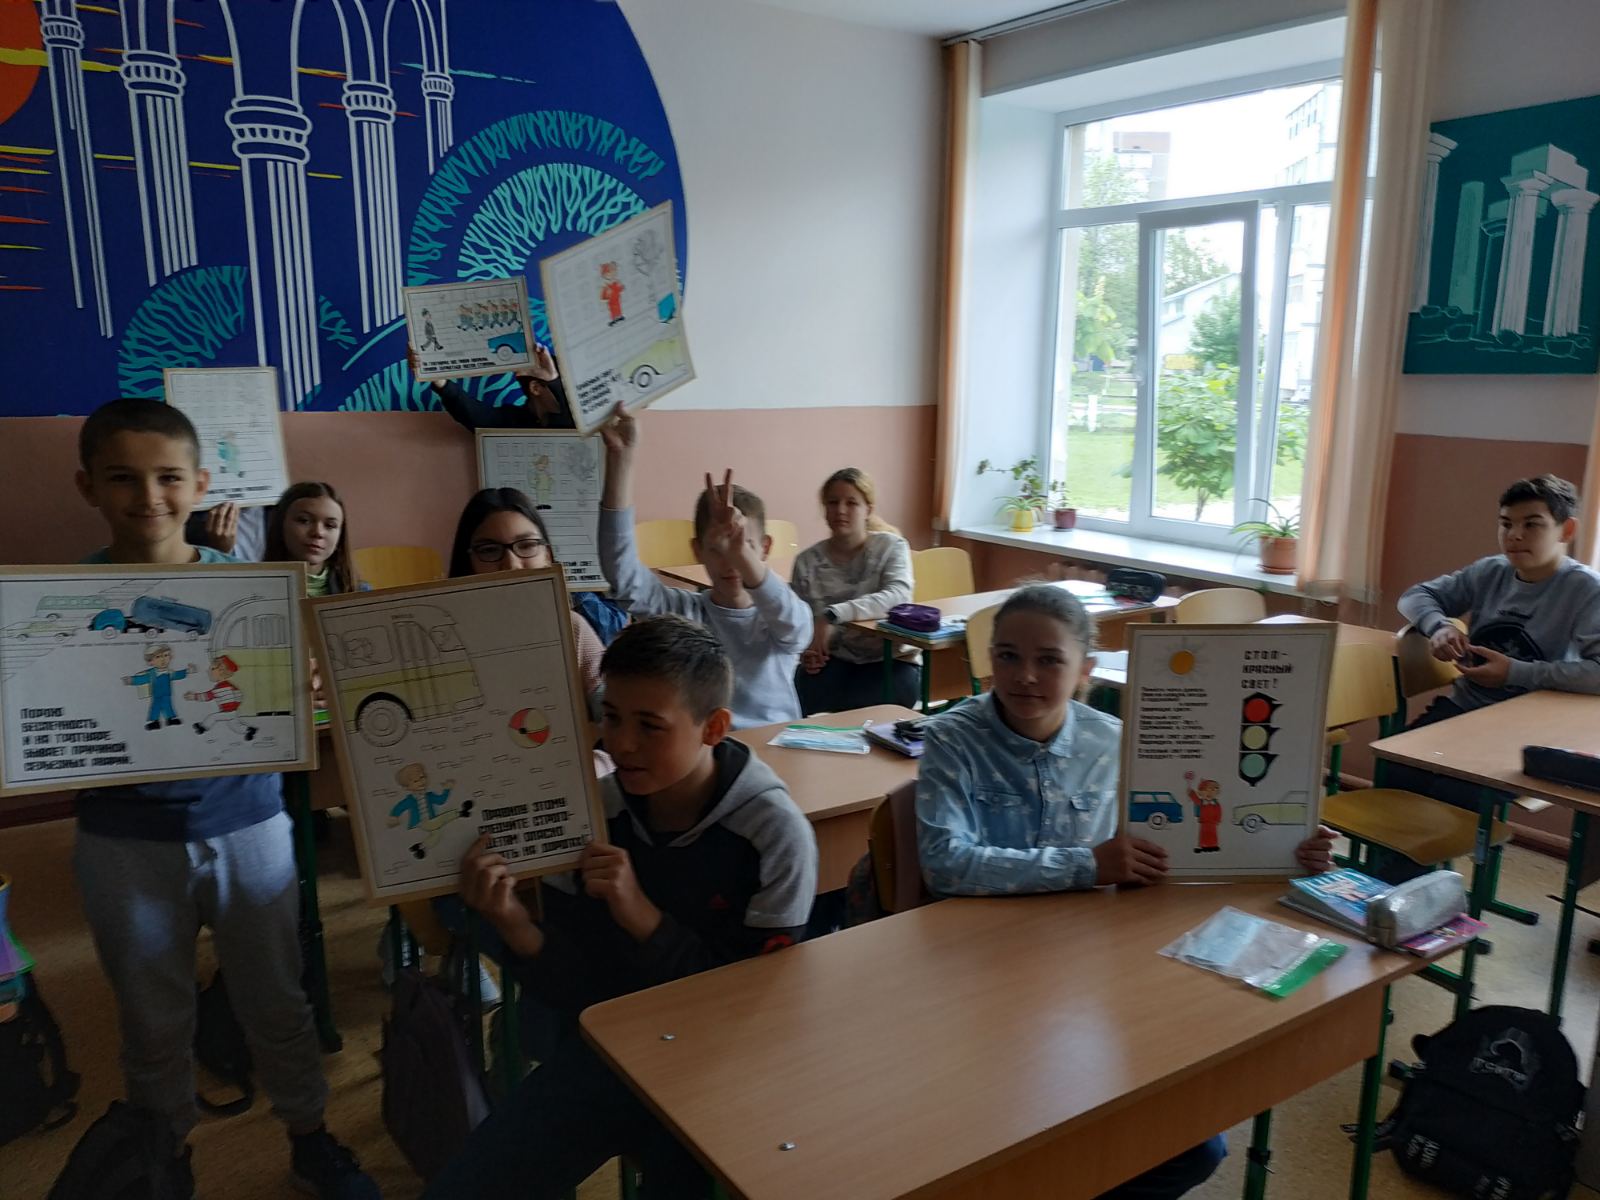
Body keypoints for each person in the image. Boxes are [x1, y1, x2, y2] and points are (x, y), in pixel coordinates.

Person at [914, 584, 1336, 1200]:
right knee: (1006, 1132)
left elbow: (1183, 846)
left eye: (1049, 660)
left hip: (1087, 969)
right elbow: (946, 865)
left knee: (1192, 1149)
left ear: (1086, 669)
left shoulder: (1116, 741)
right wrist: (1087, 865)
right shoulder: (953, 739)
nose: (1025, 675)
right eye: (1007, 656)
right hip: (977, 974)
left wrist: (1285, 848)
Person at [71, 398, 377, 1200]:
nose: (149, 496)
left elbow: (284, 692)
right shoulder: (60, 602)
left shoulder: (252, 590)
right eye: (122, 478)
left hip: (246, 821)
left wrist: (305, 684)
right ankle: (163, 1157)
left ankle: (310, 1137)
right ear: (87, 487)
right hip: (122, 838)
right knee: (152, 1017)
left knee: (277, 999)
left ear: (201, 484)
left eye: (169, 477)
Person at [422, 616, 818, 1197]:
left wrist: (643, 919)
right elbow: (579, 992)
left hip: (722, 1070)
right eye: (611, 717)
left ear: (713, 728)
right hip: (611, 1056)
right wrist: (513, 922)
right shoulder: (593, 816)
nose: (621, 744)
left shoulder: (774, 836)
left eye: (649, 726)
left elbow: (750, 1006)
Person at [1389, 473, 1600, 817]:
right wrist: (1439, 626)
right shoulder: (1490, 571)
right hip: (1463, 710)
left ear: (1567, 530)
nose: (1514, 535)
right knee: (1394, 774)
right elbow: (1415, 596)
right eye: (1506, 524)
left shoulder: (1587, 590)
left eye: (1532, 524)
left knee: (1452, 802)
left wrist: (1515, 672)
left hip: (1528, 730)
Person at [598, 405, 812, 728]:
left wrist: (743, 556)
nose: (731, 562)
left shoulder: (778, 615)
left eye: (744, 547)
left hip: (773, 743)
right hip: (706, 748)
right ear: (697, 551)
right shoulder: (685, 614)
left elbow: (797, 628)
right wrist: (621, 460)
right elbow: (623, 574)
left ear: (765, 548)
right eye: (718, 549)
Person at [448, 488, 608, 698]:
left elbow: (607, 699)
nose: (511, 564)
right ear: (467, 562)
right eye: (489, 550)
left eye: (526, 545)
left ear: (547, 556)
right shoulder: (444, 638)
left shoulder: (572, 629)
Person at [790, 467, 916, 713]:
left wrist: (832, 615)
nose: (841, 510)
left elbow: (898, 596)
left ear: (868, 509)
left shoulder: (891, 547)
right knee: (792, 698)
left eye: (851, 503)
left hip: (891, 662)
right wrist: (810, 651)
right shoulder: (807, 562)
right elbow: (799, 621)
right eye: (833, 502)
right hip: (836, 660)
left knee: (863, 708)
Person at [407, 341, 575, 431]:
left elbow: (569, 421)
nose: (571, 397)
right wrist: (440, 381)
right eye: (566, 388)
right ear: (535, 388)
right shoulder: (515, 421)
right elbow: (477, 418)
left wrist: (552, 381)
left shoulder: (575, 425)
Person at [263, 482, 363, 596]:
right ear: (281, 524)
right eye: (304, 520)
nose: (318, 532)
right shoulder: (254, 588)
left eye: (330, 525)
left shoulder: (359, 591)